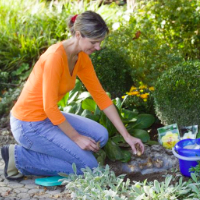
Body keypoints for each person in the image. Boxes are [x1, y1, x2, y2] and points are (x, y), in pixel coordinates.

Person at [1, 11, 144, 180]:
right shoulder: (55, 57)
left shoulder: (81, 58)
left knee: (101, 135)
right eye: (93, 42)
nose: (98, 47)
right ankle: (19, 157)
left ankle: (65, 155)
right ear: (78, 35)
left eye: (100, 42)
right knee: (89, 167)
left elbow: (100, 96)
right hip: (28, 125)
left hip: (47, 118)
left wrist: (127, 136)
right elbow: (49, 107)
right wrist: (76, 138)